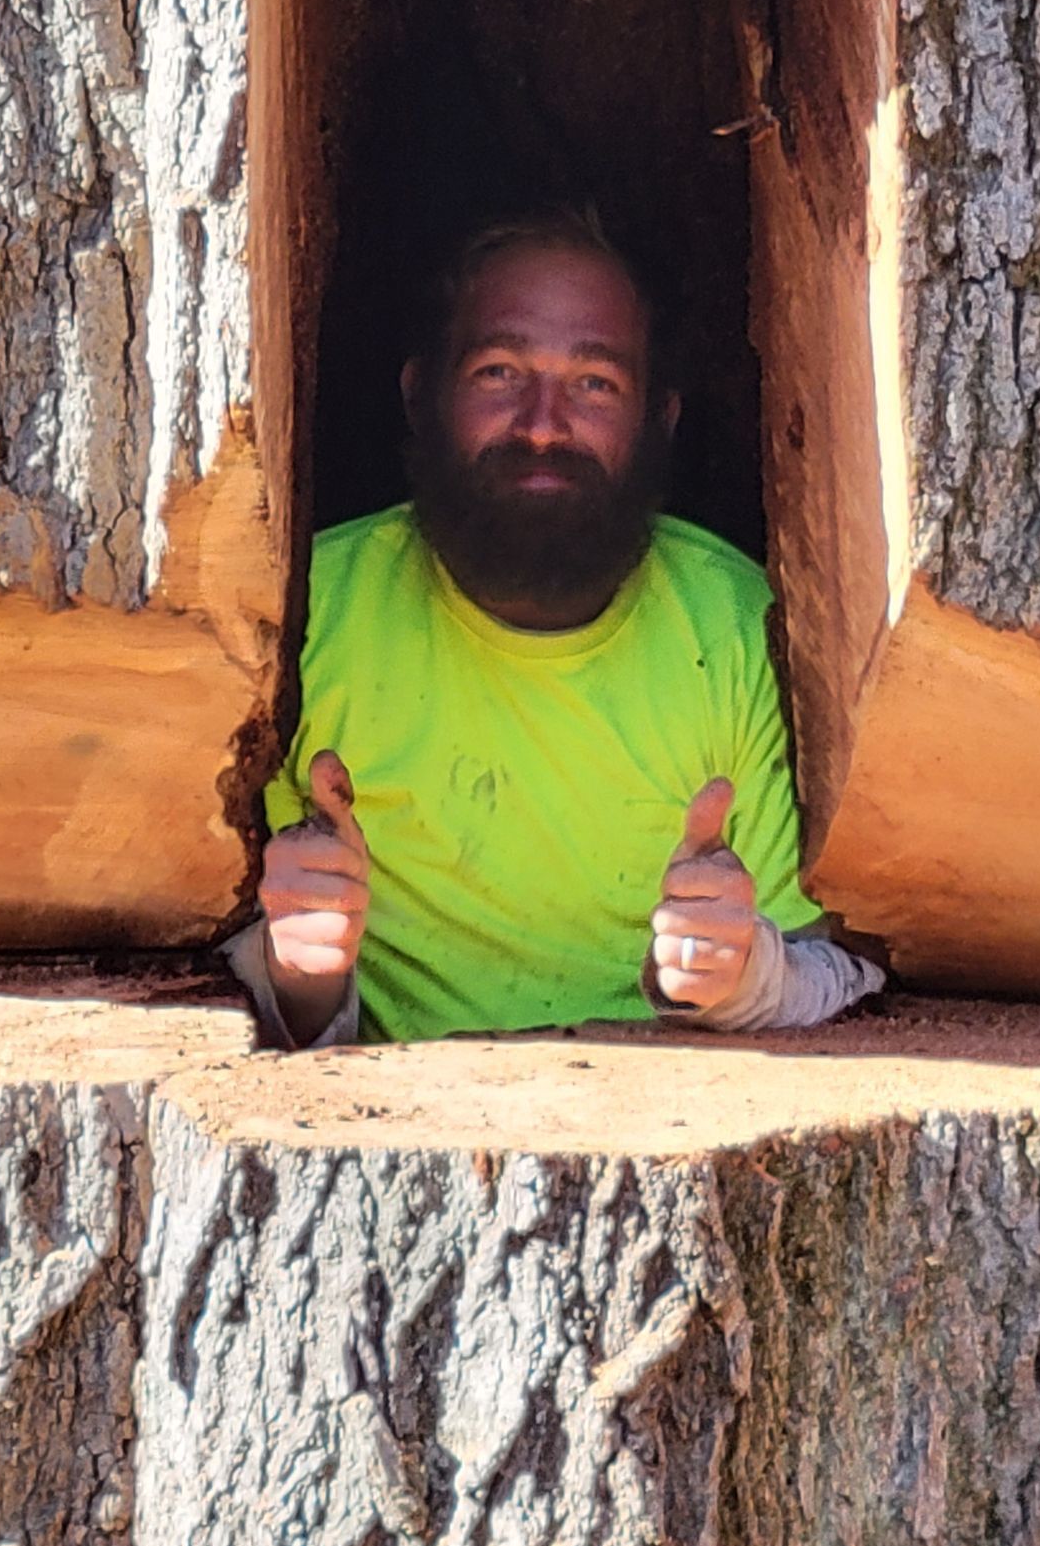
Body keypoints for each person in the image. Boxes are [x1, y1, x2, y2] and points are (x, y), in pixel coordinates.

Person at [224, 212, 886, 1048]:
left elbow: (847, 963)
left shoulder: (739, 626)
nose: (542, 423)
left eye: (595, 384)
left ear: (661, 419)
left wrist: (741, 975)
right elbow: (223, 963)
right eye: (499, 372)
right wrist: (298, 976)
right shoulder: (305, 615)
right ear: (420, 394)